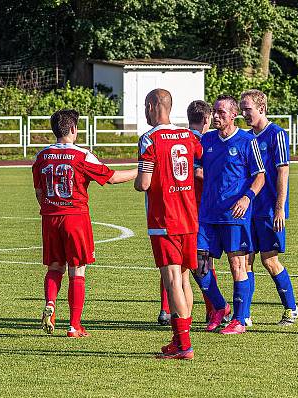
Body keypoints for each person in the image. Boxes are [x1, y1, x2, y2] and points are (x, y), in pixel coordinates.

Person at [33, 109, 136, 338]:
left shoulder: (42, 156)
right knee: (77, 270)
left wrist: (50, 206)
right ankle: (74, 326)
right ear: (73, 129)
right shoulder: (82, 155)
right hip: (75, 218)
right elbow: (112, 177)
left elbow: (39, 192)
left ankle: (50, 302)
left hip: (50, 218)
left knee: (55, 267)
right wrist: (141, 169)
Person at [135, 89, 202, 360]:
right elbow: (200, 160)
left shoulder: (149, 139)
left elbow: (144, 183)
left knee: (172, 278)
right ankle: (179, 339)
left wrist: (139, 178)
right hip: (189, 216)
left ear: (152, 106)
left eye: (145, 106)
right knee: (184, 277)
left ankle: (184, 345)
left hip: (165, 218)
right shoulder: (188, 136)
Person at [198, 95, 265, 335]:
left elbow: (260, 176)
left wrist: (247, 197)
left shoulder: (247, 141)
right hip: (207, 214)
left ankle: (239, 319)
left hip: (234, 215)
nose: (215, 116)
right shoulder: (206, 141)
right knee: (199, 265)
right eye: (214, 112)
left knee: (238, 265)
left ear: (233, 115)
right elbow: (195, 168)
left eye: (221, 113)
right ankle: (219, 306)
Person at [239, 89, 298, 327]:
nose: (244, 114)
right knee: (245, 260)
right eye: (242, 110)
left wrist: (279, 208)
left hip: (268, 209)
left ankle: (291, 308)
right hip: (249, 209)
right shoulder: (246, 137)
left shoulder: (276, 134)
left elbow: (283, 171)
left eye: (248, 109)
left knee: (269, 260)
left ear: (261, 109)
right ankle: (244, 314)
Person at [185, 99, 225, 326]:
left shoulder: (180, 140)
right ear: (208, 119)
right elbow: (200, 173)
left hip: (185, 208)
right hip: (203, 208)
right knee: (202, 261)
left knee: (190, 261)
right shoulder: (204, 143)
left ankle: (216, 309)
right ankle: (217, 308)